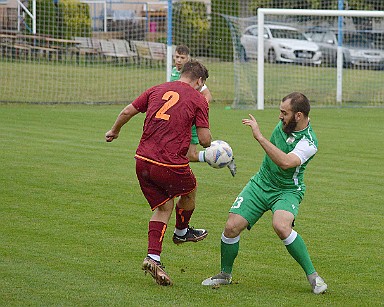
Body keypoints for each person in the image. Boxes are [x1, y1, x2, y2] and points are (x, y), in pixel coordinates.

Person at [202, 92, 328, 294]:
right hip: (261, 183)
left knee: (281, 226)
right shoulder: (287, 124)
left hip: (287, 190)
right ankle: (224, 274)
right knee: (231, 227)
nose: (280, 117)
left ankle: (314, 277)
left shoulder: (309, 143)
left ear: (298, 116)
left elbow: (286, 162)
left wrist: (259, 137)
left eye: (284, 113)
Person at [105, 60, 211, 286]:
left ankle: (153, 257)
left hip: (142, 162)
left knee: (164, 206)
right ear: (200, 81)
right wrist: (216, 146)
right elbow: (204, 139)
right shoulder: (198, 98)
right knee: (191, 190)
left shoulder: (157, 89)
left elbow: (127, 111)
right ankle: (182, 232)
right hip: (169, 163)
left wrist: (114, 131)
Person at [171, 45, 237, 177]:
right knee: (184, 154)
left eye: (182, 57)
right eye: (177, 57)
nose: (178, 60)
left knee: (190, 154)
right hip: (179, 118)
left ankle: (224, 156)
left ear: (187, 59)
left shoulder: (193, 76)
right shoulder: (173, 72)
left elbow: (208, 95)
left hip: (191, 120)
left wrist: (197, 110)